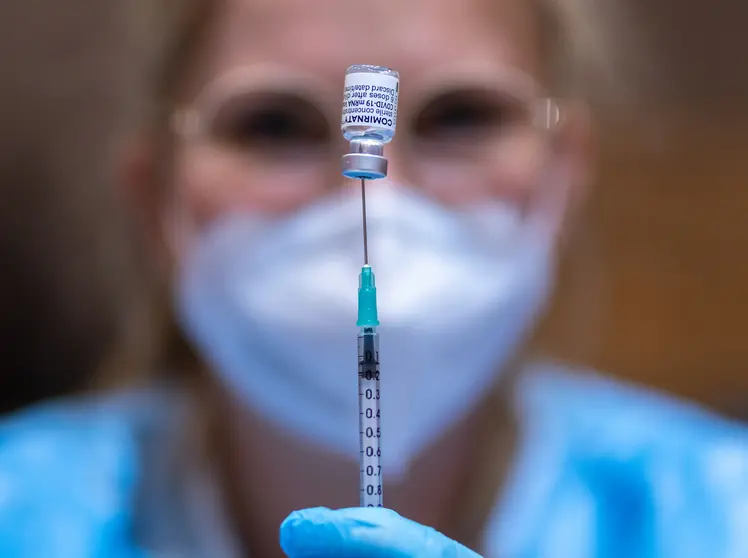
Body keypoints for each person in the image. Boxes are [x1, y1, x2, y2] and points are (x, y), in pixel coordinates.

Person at [2, 0, 748, 556]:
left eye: (461, 118)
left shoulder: (719, 517)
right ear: (154, 195)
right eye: (273, 126)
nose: (381, 208)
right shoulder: (22, 515)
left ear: (564, 175)